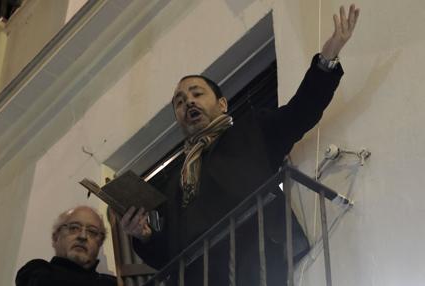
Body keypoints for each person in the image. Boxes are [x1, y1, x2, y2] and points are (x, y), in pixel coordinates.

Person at [121, 4, 360, 286]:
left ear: (222, 104)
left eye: (197, 94)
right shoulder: (177, 180)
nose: (189, 103)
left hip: (254, 270)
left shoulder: (251, 132)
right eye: (180, 102)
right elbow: (172, 254)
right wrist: (144, 236)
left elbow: (300, 112)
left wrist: (327, 59)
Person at [16, 206, 117, 286]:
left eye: (92, 231)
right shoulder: (36, 271)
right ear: (56, 237)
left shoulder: (113, 282)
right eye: (74, 228)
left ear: (100, 243)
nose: (83, 236)